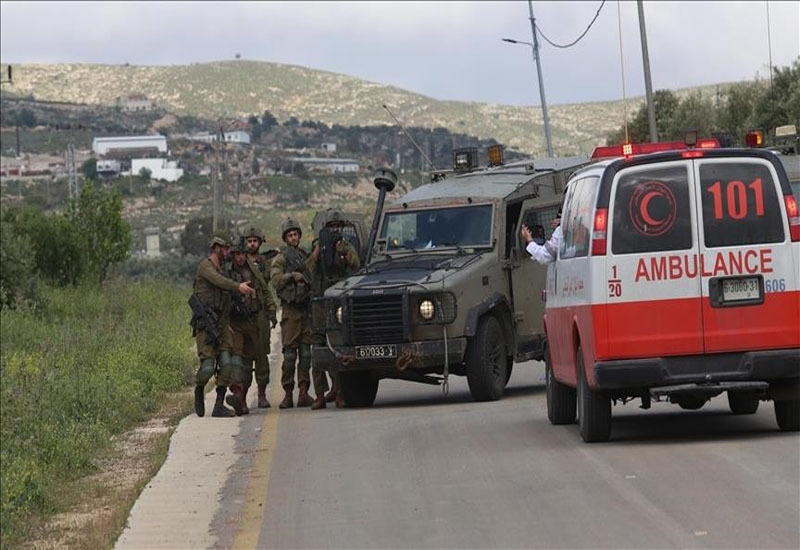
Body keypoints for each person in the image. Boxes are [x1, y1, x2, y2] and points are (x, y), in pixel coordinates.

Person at [191, 231, 255, 418]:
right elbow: (219, 282)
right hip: (206, 323)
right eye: (225, 248)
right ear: (216, 247)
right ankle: (199, 388)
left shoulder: (224, 269)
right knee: (208, 368)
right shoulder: (205, 266)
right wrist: (238, 287)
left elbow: (225, 300)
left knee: (227, 365)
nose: (228, 251)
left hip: (221, 324)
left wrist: (226, 323)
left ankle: (219, 406)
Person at [307, 209, 361, 409]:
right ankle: (319, 395)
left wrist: (343, 251)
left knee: (338, 350)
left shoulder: (347, 245)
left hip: (339, 303)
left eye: (338, 226)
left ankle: (339, 392)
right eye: (332, 227)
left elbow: (355, 264)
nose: (335, 229)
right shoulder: (318, 246)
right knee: (317, 350)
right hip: (321, 304)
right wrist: (319, 251)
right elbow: (308, 269)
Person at [270, 217, 315, 409]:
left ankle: (304, 391)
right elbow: (275, 280)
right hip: (290, 311)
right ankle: (288, 393)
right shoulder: (281, 258)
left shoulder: (305, 255)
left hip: (306, 310)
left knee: (306, 354)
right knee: (289, 356)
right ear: (285, 238)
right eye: (290, 235)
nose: (293, 237)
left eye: (295, 234)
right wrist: (291, 276)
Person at [243, 227, 278, 409]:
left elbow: (266, 285)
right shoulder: (240, 262)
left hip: (261, 314)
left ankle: (262, 394)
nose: (252, 244)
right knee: (245, 356)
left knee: (262, 355)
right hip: (245, 316)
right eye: (249, 241)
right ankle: (242, 396)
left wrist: (271, 312)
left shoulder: (264, 262)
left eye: (255, 241)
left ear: (260, 242)